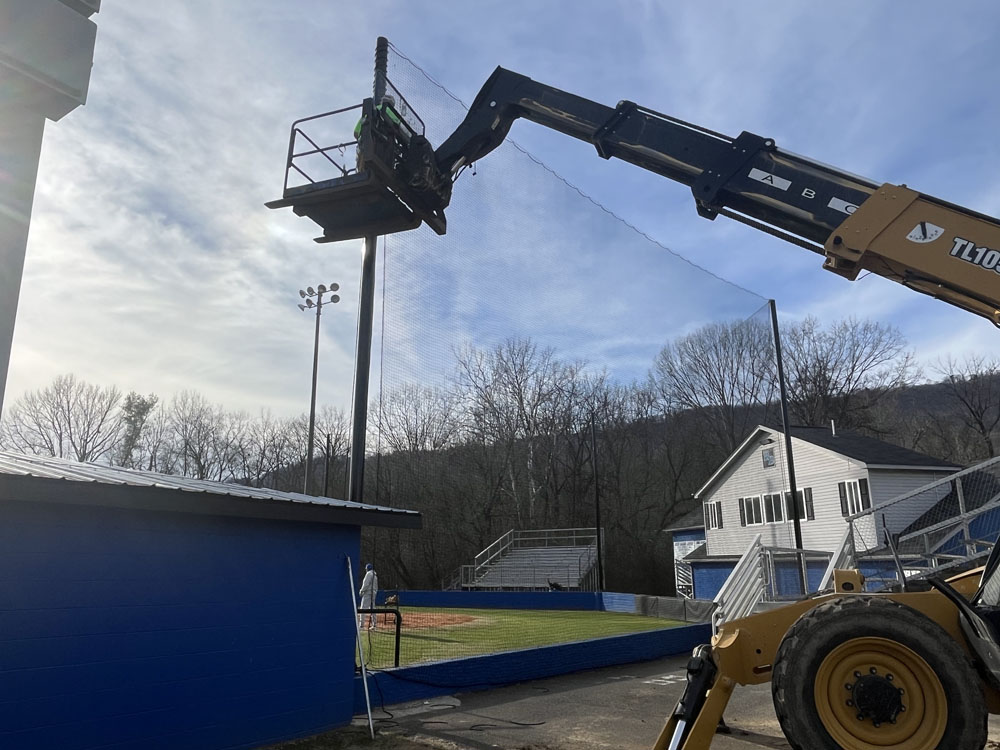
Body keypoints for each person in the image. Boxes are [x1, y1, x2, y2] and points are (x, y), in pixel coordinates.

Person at [358, 562, 378, 630]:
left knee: (363, 608)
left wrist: (361, 590)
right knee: (373, 609)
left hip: (368, 593)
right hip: (373, 593)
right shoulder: (375, 575)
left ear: (367, 569)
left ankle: (361, 626)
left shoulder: (369, 574)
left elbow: (366, 584)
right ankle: (374, 625)